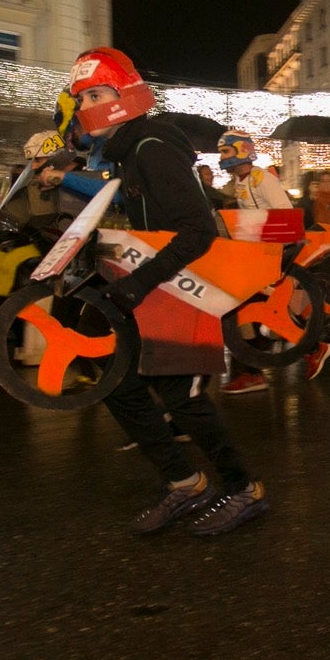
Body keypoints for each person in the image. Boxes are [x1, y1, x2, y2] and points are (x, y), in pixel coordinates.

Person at [66, 47, 269, 536]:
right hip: (152, 288)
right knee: (116, 380)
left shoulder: (151, 146)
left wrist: (136, 282)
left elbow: (196, 231)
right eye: (82, 96)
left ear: (124, 95)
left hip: (183, 290)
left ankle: (244, 489)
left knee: (184, 399)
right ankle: (183, 481)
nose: (87, 105)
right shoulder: (126, 150)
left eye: (97, 93)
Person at [216, 130, 330, 394]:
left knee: (250, 311)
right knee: (247, 313)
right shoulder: (241, 181)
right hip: (257, 256)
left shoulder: (262, 179)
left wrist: (271, 256)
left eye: (226, 151)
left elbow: (286, 216)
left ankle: (260, 369)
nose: (222, 157)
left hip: (270, 257)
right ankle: (259, 367)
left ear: (242, 150)